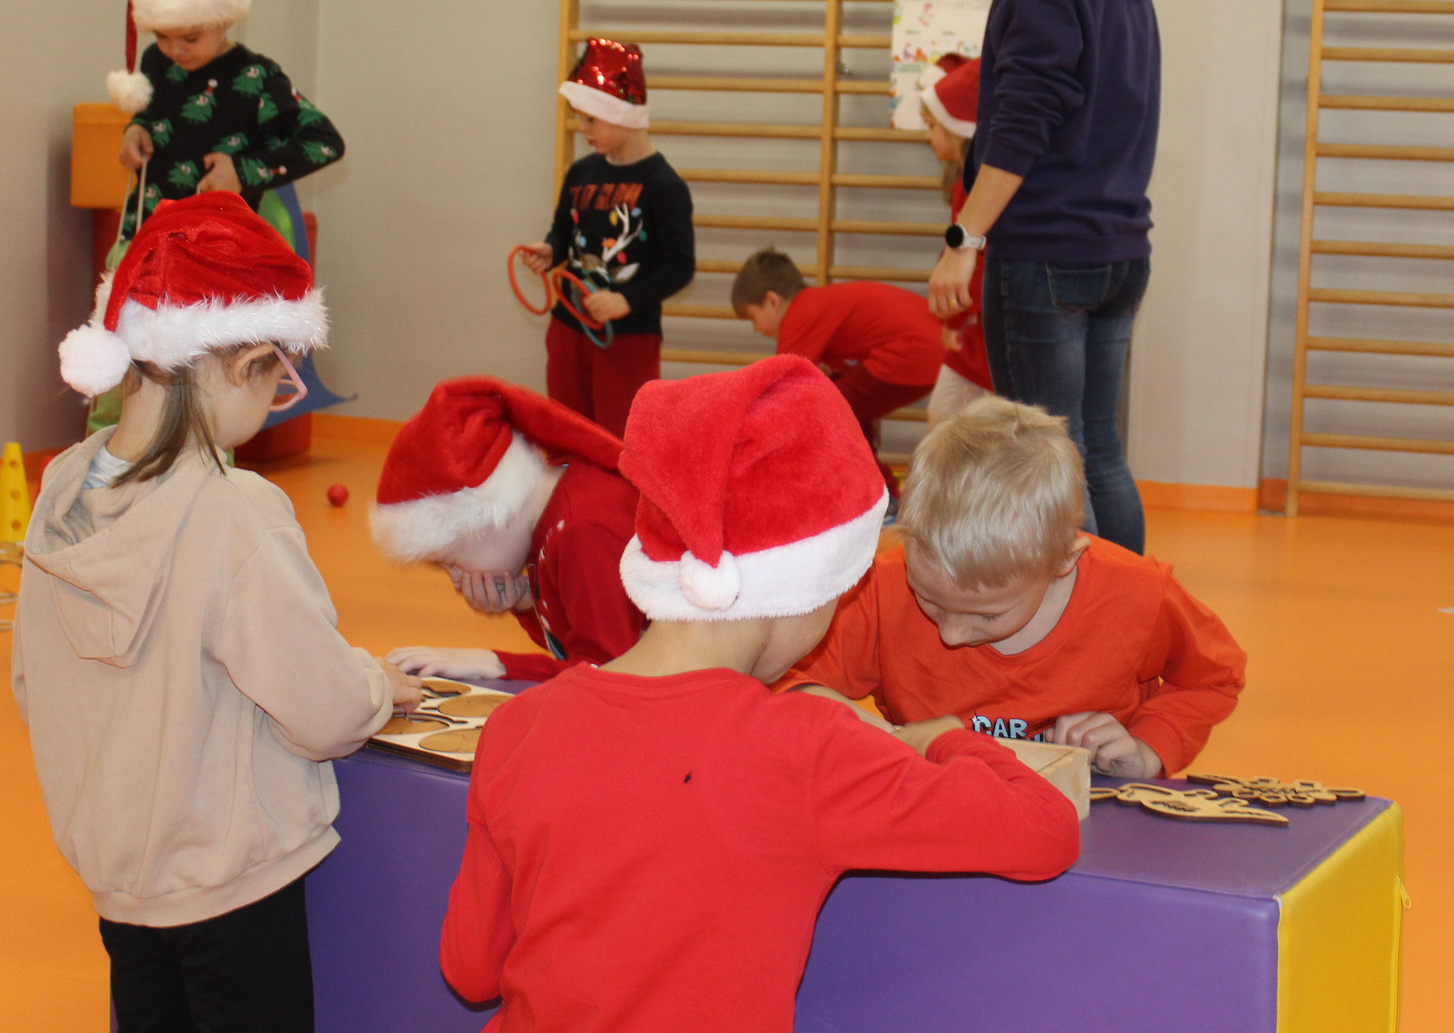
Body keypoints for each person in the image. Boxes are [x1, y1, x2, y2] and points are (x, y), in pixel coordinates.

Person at [438, 355, 1080, 1032]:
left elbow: (470, 969)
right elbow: (1045, 829)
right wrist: (946, 739)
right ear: (802, 587)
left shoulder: (519, 726)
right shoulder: (808, 750)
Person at [16, 191, 422, 1033]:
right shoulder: (235, 512)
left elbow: (33, 684)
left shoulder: (61, 489)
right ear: (245, 364)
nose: (275, 404)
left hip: (121, 883)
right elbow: (323, 709)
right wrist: (377, 684)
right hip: (233, 890)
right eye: (279, 382)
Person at [779, 396, 1243, 781]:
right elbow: (782, 682)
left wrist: (1146, 749)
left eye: (988, 614)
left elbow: (1214, 677)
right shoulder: (882, 586)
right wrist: (892, 740)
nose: (952, 634)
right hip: (939, 811)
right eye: (929, 600)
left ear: (1063, 561)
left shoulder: (1137, 594)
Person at [925, 0, 1161, 553]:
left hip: (1048, 250)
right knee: (1098, 449)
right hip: (1119, 244)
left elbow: (1024, 125)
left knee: (1049, 459)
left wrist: (964, 238)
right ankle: (1127, 609)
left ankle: (1080, 618)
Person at [369, 375, 644, 683]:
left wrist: (495, 663)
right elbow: (585, 644)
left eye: (451, 561)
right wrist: (526, 602)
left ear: (486, 515)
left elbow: (609, 676)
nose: (457, 581)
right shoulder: (557, 510)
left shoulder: (583, 529)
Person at [107, 0, 345, 255]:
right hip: (150, 236)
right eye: (162, 36)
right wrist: (136, 129)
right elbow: (153, 113)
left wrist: (243, 172)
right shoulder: (155, 60)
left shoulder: (257, 77)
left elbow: (325, 141)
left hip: (222, 249)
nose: (175, 50)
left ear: (224, 19)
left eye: (191, 38)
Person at [519, 39, 695, 438]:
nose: (583, 130)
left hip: (628, 337)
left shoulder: (664, 185)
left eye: (590, 120)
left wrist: (625, 301)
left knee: (621, 440)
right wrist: (550, 250)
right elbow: (563, 232)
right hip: (569, 326)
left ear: (622, 115)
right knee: (565, 433)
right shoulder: (580, 173)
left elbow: (680, 266)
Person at [731, 248, 942, 496]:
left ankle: (881, 493)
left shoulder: (800, 315)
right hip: (933, 346)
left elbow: (782, 394)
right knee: (839, 400)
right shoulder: (818, 304)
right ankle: (877, 489)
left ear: (772, 301)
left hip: (916, 351)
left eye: (753, 318)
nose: (756, 329)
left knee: (831, 411)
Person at [917, 54, 994, 425]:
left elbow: (974, 263)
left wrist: (955, 317)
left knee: (952, 419)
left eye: (932, 125)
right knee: (949, 418)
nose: (928, 136)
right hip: (978, 324)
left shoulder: (973, 184)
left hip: (982, 327)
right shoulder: (966, 179)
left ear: (957, 127)